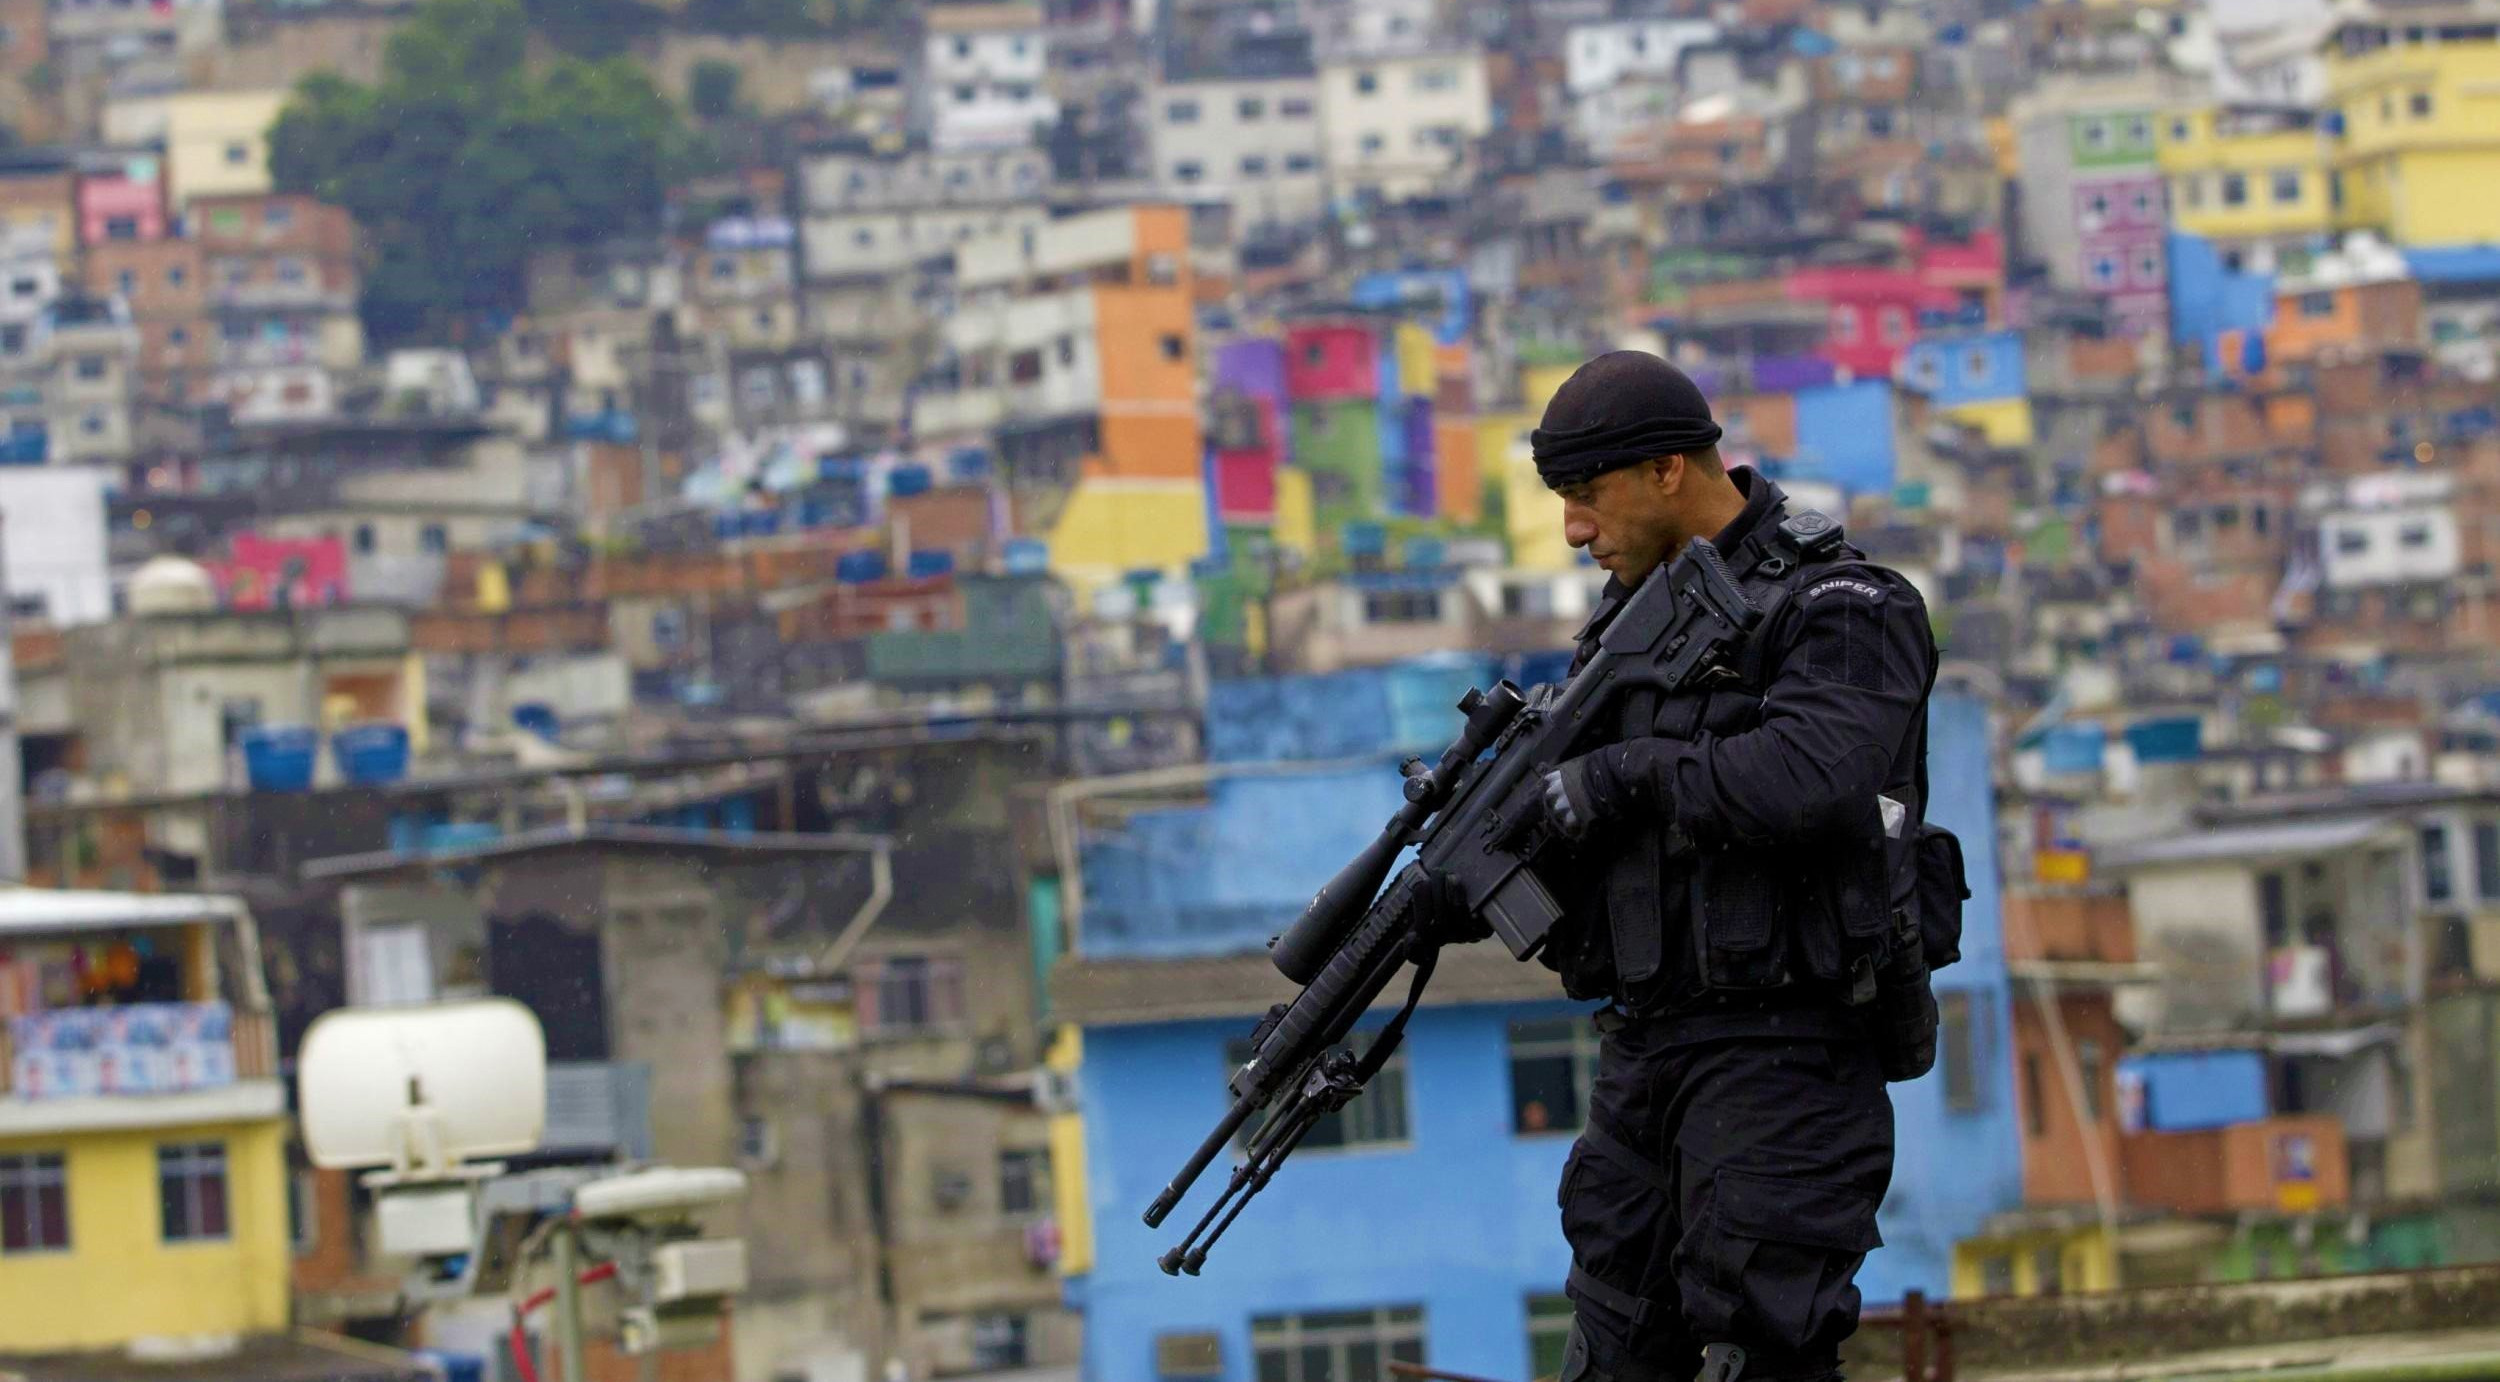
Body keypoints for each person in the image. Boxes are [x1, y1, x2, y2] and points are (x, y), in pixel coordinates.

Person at [1489, 352, 1942, 1382]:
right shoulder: (1623, 629)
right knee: (1614, 1346)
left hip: (1788, 1051)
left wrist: (1622, 776)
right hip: (1650, 1052)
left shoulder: (1837, 600)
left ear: (1664, 471)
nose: (1572, 528)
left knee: (1758, 1350)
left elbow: (1810, 775)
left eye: (1586, 495)